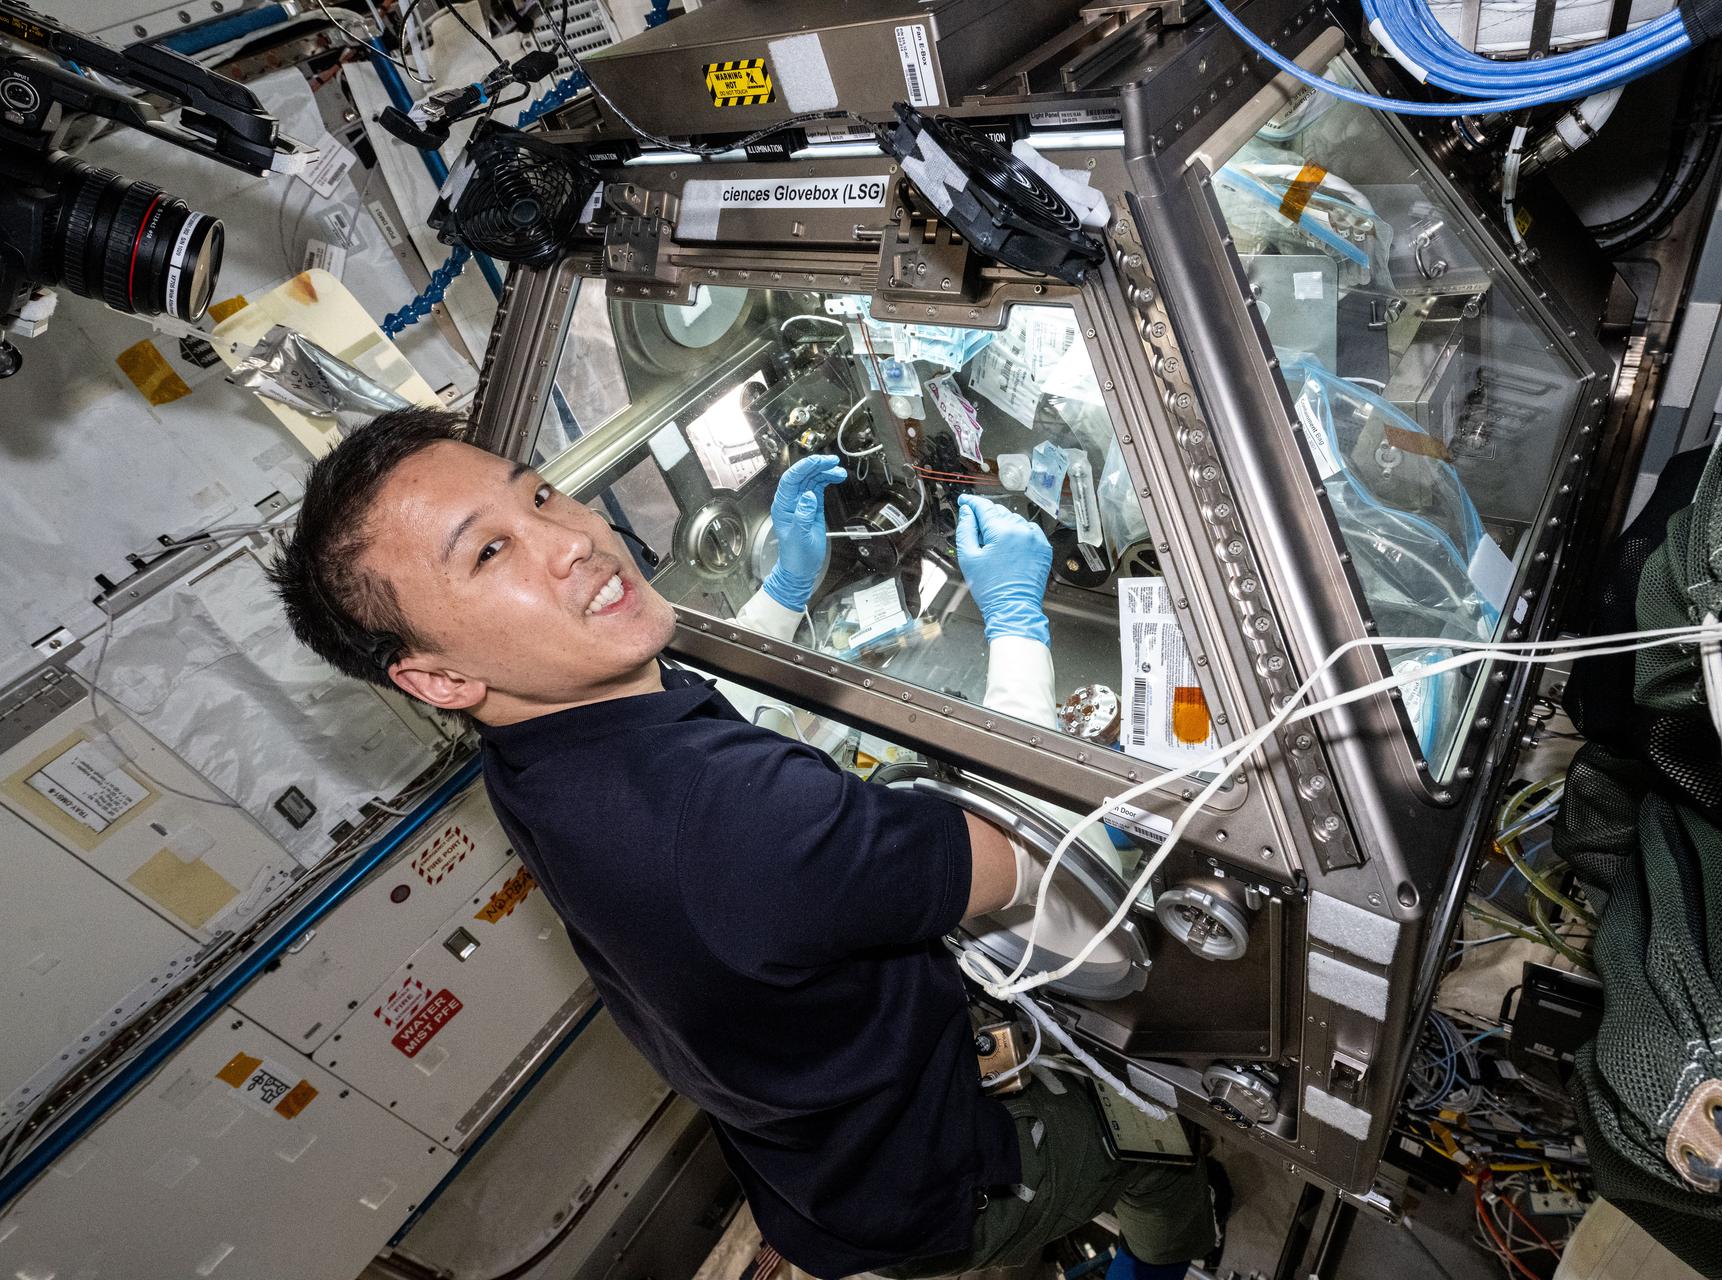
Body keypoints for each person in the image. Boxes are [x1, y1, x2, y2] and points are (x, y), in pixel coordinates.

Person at [268, 407, 1219, 1280]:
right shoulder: (738, 829)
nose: (576, 540)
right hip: (933, 1186)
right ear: (434, 678)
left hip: (813, 1167)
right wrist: (1017, 622)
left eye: (541, 492)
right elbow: (1033, 853)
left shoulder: (533, 749)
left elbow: (677, 729)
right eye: (488, 554)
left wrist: (783, 592)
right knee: (1165, 1152)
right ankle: (1156, 1258)